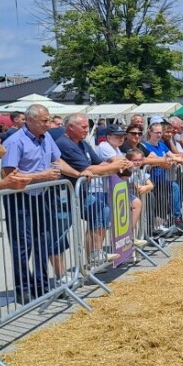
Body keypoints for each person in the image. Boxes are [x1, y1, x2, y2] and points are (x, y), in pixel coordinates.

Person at [0, 104, 82, 302]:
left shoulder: (46, 139)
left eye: (48, 120)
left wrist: (79, 174)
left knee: (42, 241)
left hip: (42, 196)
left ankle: (41, 284)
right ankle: (23, 288)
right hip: (20, 197)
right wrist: (41, 176)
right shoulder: (15, 141)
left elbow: (58, 161)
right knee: (23, 245)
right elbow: (8, 175)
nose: (48, 124)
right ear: (29, 120)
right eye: (44, 121)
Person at [52, 113, 130, 265]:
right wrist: (115, 166)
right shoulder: (64, 144)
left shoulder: (83, 143)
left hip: (81, 194)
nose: (87, 130)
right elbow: (88, 168)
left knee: (102, 210)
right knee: (59, 236)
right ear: (71, 127)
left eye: (87, 126)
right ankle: (61, 277)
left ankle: (95, 254)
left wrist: (118, 166)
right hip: (63, 197)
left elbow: (99, 163)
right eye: (84, 126)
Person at [97, 125, 147, 248]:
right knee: (100, 222)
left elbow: (126, 165)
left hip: (113, 188)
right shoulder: (105, 146)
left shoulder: (117, 148)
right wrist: (127, 163)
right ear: (108, 137)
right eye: (117, 136)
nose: (121, 138)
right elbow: (122, 163)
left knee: (136, 203)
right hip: (100, 189)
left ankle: (128, 237)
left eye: (123, 136)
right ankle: (96, 252)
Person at [141, 122, 183, 237]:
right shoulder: (145, 146)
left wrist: (173, 159)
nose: (159, 135)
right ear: (150, 132)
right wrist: (167, 160)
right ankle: (156, 227)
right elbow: (155, 159)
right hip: (152, 179)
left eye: (160, 132)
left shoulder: (162, 145)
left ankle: (176, 217)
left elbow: (173, 156)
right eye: (156, 132)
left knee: (174, 189)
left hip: (163, 179)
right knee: (158, 202)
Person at [124, 148, 154, 248]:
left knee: (137, 221)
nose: (137, 163)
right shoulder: (127, 171)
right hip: (126, 199)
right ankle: (128, 236)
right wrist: (143, 187)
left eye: (140, 160)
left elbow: (150, 185)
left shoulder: (140, 172)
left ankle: (132, 236)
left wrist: (146, 187)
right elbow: (136, 185)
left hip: (133, 199)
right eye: (135, 160)